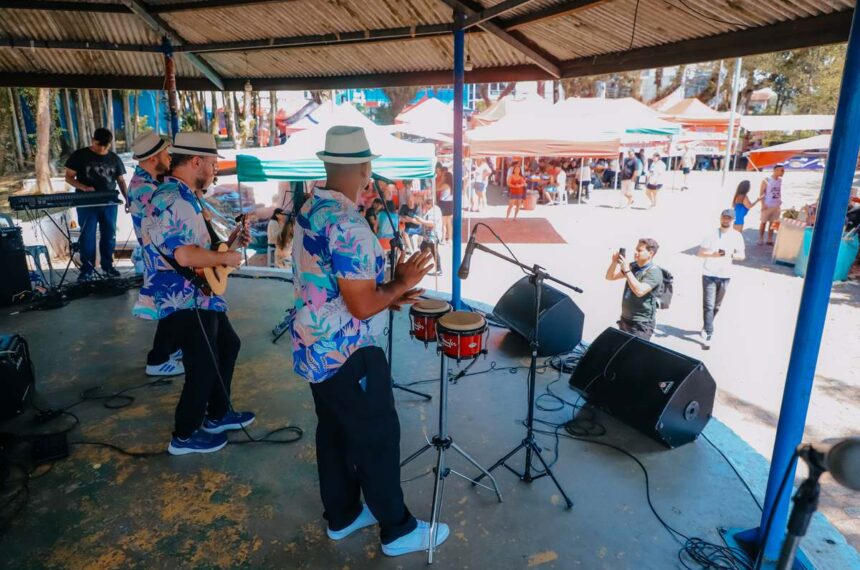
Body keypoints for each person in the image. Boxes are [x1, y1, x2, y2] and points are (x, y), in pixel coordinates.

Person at [291, 125, 446, 557]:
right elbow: (360, 307)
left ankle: (342, 517)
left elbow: (337, 287)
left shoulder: (313, 208)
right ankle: (398, 530)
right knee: (376, 438)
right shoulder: (348, 224)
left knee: (336, 436)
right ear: (365, 166)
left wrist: (390, 291)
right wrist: (402, 282)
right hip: (349, 352)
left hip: (315, 348)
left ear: (327, 163)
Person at [138, 132, 255, 455]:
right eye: (214, 164)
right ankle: (185, 435)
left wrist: (229, 243)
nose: (216, 170)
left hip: (198, 292)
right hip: (184, 297)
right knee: (202, 364)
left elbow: (199, 251)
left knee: (228, 344)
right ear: (195, 162)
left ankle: (217, 415)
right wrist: (225, 258)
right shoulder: (174, 199)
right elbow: (185, 256)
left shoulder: (185, 195)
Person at [127, 132, 183, 378]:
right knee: (170, 309)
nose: (169, 158)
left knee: (175, 308)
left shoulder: (150, 181)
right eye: (165, 154)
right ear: (152, 159)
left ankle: (172, 349)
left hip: (162, 255)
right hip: (159, 257)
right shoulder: (145, 189)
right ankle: (157, 359)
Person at [64, 128, 128, 281]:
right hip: (87, 204)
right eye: (99, 145)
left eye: (105, 146)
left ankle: (108, 267)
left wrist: (128, 199)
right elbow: (68, 177)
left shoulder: (114, 158)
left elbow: (120, 180)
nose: (102, 149)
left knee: (109, 235)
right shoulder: (79, 155)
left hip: (109, 203)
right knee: (87, 237)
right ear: (93, 140)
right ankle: (87, 270)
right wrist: (84, 188)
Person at [698, 209, 746, 349]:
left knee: (716, 306)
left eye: (729, 219)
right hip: (709, 273)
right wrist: (713, 255)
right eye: (724, 218)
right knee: (708, 305)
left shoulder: (737, 236)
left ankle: (706, 325)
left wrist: (729, 255)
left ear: (733, 220)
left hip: (725, 275)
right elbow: (700, 253)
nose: (726, 221)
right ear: (720, 218)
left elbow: (742, 256)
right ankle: (709, 332)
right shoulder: (711, 234)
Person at [605, 238, 663, 340]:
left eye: (639, 250)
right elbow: (610, 277)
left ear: (650, 253)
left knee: (634, 354)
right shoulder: (634, 266)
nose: (635, 252)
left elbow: (639, 291)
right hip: (625, 319)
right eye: (636, 249)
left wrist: (627, 270)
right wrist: (614, 262)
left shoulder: (654, 272)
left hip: (641, 325)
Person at [759, 164, 784, 245]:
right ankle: (760, 238)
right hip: (767, 204)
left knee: (773, 223)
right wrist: (762, 204)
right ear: (776, 170)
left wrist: (780, 200)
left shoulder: (780, 180)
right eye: (782, 170)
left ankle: (770, 239)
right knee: (763, 222)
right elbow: (761, 192)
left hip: (776, 205)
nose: (783, 172)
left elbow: (779, 191)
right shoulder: (767, 180)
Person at [418, 198, 444, 276]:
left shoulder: (434, 211)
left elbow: (432, 223)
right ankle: (421, 266)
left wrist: (421, 221)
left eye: (425, 204)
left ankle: (439, 269)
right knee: (423, 247)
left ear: (429, 204)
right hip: (428, 235)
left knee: (434, 251)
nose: (424, 206)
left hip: (433, 235)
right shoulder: (432, 210)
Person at [438, 171, 454, 244]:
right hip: (450, 203)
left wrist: (441, 181)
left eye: (443, 176)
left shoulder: (445, 185)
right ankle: (450, 239)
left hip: (444, 204)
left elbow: (436, 188)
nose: (442, 177)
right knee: (449, 222)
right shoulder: (451, 185)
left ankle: (443, 239)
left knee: (443, 223)